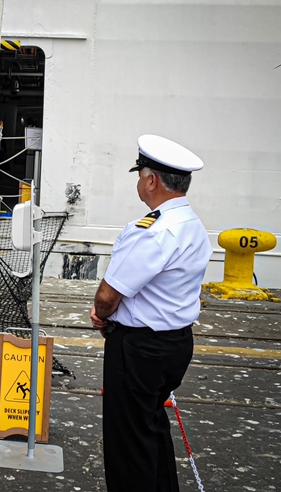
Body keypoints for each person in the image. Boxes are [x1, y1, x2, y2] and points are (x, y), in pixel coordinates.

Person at [89, 134, 212, 492]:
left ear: (152, 180)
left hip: (138, 350)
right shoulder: (192, 225)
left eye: (140, 173)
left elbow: (109, 295)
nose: (139, 181)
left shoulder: (152, 231)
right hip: (175, 344)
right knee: (151, 428)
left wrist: (101, 315)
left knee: (127, 446)